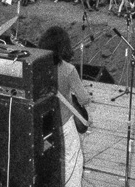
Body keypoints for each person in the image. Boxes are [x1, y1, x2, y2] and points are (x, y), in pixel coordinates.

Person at [36, 26, 90, 187]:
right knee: (73, 159)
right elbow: (84, 98)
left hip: (43, 124)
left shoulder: (37, 67)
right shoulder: (68, 69)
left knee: (49, 161)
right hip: (64, 122)